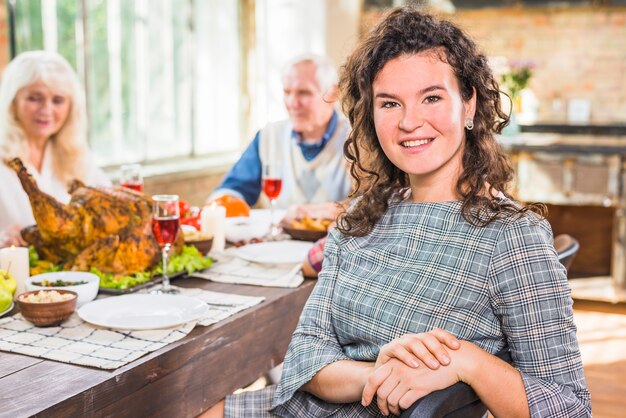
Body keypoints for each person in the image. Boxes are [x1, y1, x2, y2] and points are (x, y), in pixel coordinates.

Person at [202, 7, 591, 418]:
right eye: (389, 103)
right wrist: (374, 374)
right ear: (371, 114)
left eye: (432, 97)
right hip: (304, 407)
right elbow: (306, 360)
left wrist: (469, 362)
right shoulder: (360, 217)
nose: (409, 121)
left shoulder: (512, 237)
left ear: (469, 105)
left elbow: (568, 407)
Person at [208, 54, 351, 220]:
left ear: (333, 93)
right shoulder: (269, 136)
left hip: (336, 244)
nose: (292, 103)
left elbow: (377, 207)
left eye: (303, 93)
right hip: (280, 243)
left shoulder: (358, 139)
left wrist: (341, 209)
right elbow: (231, 191)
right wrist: (218, 208)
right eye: (287, 92)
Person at [0, 50, 110, 248]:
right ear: (13, 102)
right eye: (34, 98)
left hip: (75, 277)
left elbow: (108, 207)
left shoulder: (78, 156)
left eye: (57, 100)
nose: (46, 110)